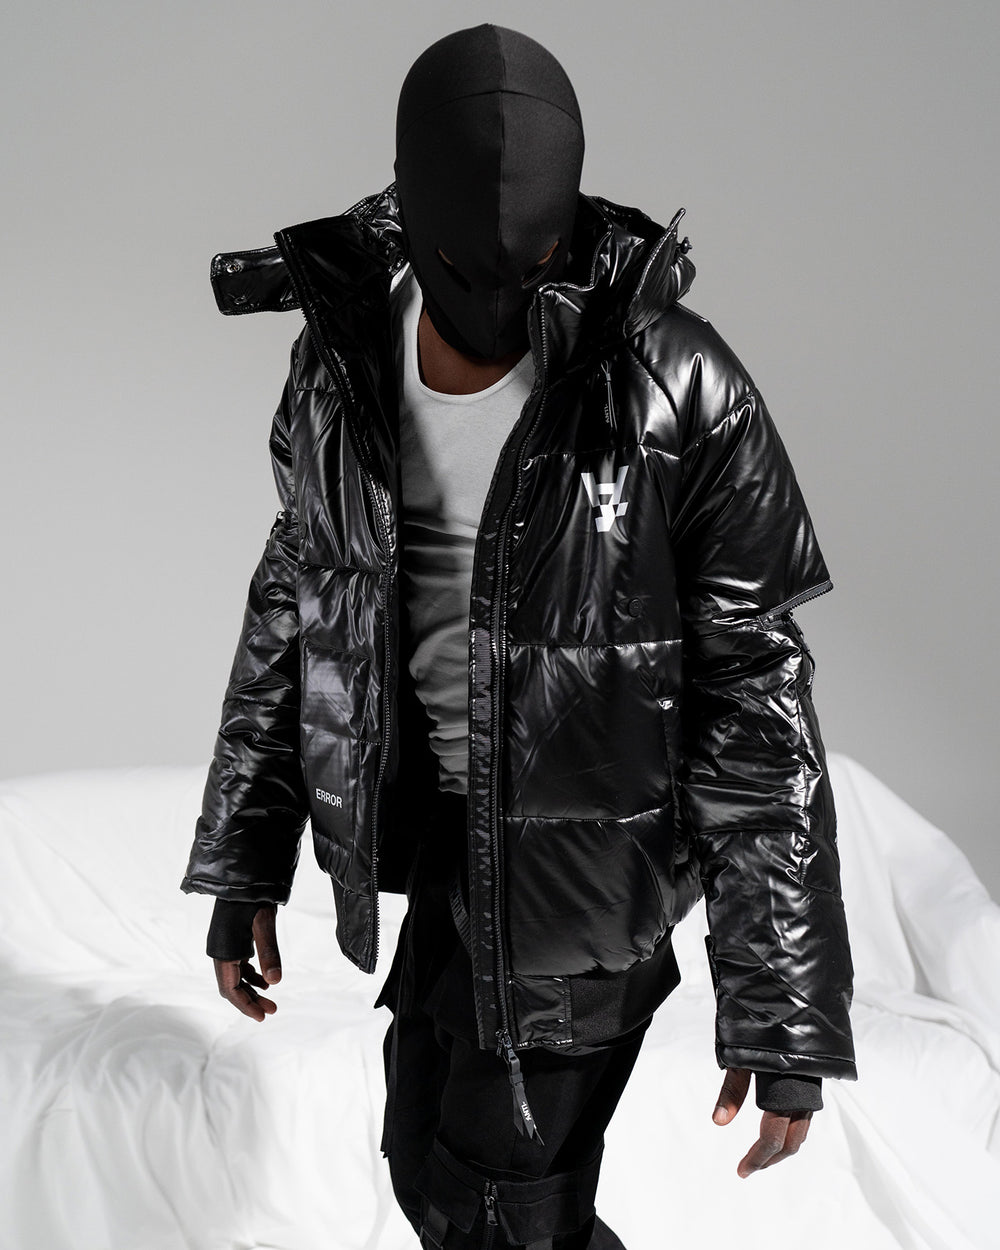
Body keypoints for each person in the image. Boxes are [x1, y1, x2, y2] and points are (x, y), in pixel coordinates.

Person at [181, 22, 858, 1250]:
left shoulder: (677, 384)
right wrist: (245, 859)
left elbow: (757, 697)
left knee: (496, 1212)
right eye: (463, 263)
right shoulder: (339, 363)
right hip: (441, 841)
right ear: (410, 209)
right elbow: (298, 603)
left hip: (589, 881)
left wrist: (784, 1008)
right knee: (423, 1157)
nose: (499, 293)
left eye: (536, 258)